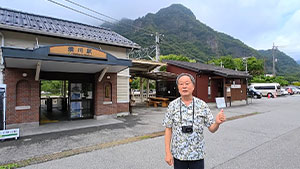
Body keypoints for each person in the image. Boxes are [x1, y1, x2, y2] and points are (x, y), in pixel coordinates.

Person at [163, 73, 226, 169]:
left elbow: (212, 129)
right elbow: (168, 129)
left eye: (187, 83)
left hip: (197, 154)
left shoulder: (202, 105)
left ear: (193, 86)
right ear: (178, 87)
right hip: (179, 155)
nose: (184, 86)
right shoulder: (172, 106)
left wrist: (217, 123)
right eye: (181, 84)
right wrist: (168, 153)